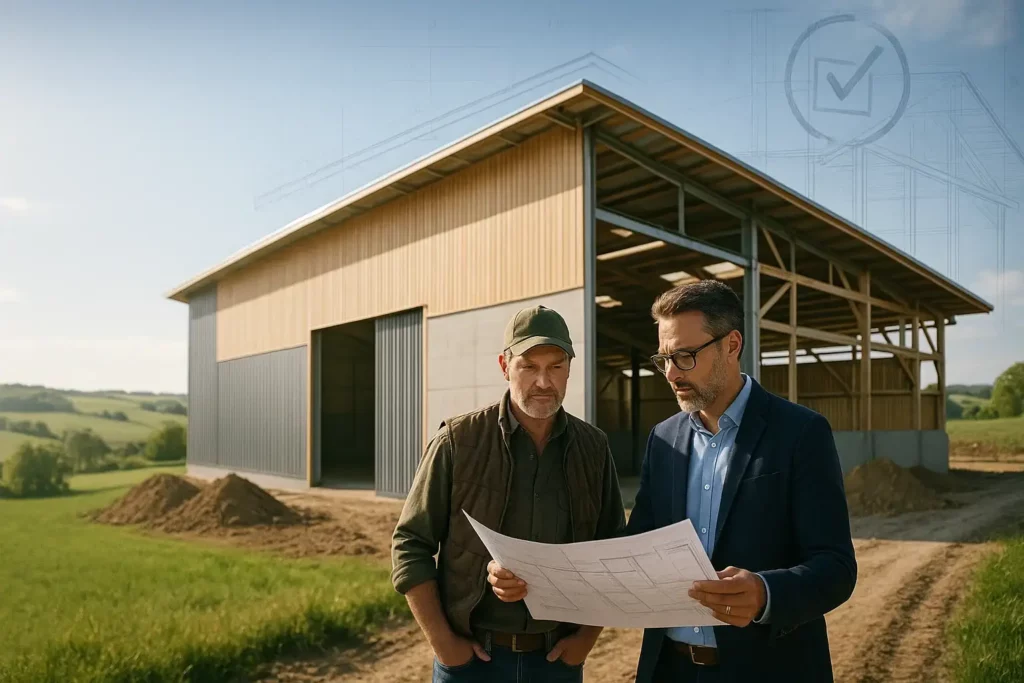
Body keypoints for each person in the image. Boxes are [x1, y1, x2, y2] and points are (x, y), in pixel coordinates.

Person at [624, 279, 857, 682]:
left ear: (731, 345)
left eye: (684, 356)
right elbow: (639, 546)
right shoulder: (663, 440)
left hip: (766, 669)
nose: (671, 373)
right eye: (663, 358)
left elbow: (836, 568)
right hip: (670, 669)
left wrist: (766, 593)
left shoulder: (801, 433)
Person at [391, 304, 627, 682]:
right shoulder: (457, 440)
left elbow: (610, 547)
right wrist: (444, 645)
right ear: (505, 366)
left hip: (557, 662)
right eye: (529, 366)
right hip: (472, 662)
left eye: (556, 366)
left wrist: (586, 638)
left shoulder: (593, 448)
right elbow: (409, 543)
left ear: (570, 368)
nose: (544, 382)